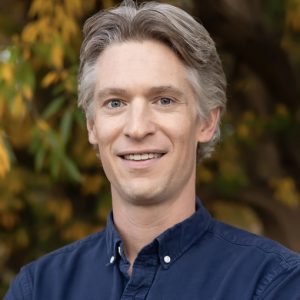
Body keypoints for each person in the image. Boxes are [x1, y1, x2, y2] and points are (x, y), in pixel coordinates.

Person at [5, 0, 300, 299]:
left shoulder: (273, 283)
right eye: (115, 103)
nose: (137, 128)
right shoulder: (39, 288)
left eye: (164, 100)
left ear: (207, 122)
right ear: (92, 126)